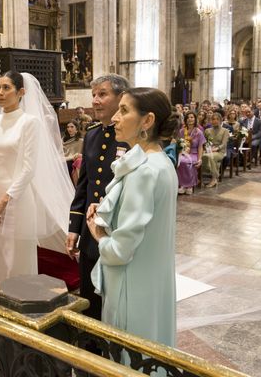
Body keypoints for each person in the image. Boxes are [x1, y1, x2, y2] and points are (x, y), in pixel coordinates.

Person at [86, 87, 178, 348]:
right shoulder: (161, 162)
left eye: (124, 111)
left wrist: (99, 232)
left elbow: (119, 251)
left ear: (147, 121)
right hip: (151, 282)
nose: (115, 117)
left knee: (130, 355)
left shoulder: (143, 172)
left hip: (131, 287)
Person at [0, 71, 74, 290]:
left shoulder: (30, 122)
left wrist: (3, 201)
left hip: (18, 197)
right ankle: (0, 296)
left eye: (6, 88)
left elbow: (28, 168)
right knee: (0, 255)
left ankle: (23, 299)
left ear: (21, 92)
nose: (0, 93)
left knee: (19, 255)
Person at [66, 74, 130, 320]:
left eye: (102, 94)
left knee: (114, 299)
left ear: (121, 98)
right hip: (90, 232)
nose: (95, 100)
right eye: (94, 95)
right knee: (89, 296)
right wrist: (74, 227)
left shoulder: (132, 137)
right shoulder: (92, 135)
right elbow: (84, 187)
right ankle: (89, 348)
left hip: (117, 231)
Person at [177, 112, 205, 195]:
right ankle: (182, 185)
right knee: (180, 161)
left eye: (192, 117)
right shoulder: (182, 131)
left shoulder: (198, 132)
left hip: (194, 153)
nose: (190, 119)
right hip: (184, 152)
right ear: (185, 120)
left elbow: (200, 147)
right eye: (188, 117)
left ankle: (189, 185)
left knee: (188, 162)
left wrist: (200, 159)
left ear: (195, 119)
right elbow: (178, 144)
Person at [202, 112, 229, 188]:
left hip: (220, 151)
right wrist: (206, 148)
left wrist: (217, 148)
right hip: (209, 150)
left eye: (217, 119)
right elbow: (204, 142)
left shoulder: (225, 131)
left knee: (211, 157)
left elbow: (224, 144)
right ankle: (200, 178)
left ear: (221, 120)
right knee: (203, 156)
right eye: (213, 119)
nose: (215, 121)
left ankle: (214, 178)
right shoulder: (207, 130)